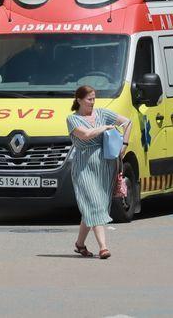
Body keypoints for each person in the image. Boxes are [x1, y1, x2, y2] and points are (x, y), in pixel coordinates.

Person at [66, 85, 131, 259]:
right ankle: (103, 247)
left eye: (94, 98)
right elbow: (86, 135)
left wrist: (124, 145)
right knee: (94, 204)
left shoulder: (102, 113)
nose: (93, 102)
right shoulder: (73, 119)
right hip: (84, 167)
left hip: (105, 166)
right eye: (89, 99)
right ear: (79, 100)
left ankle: (80, 244)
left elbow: (127, 122)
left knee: (94, 207)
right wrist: (103, 128)